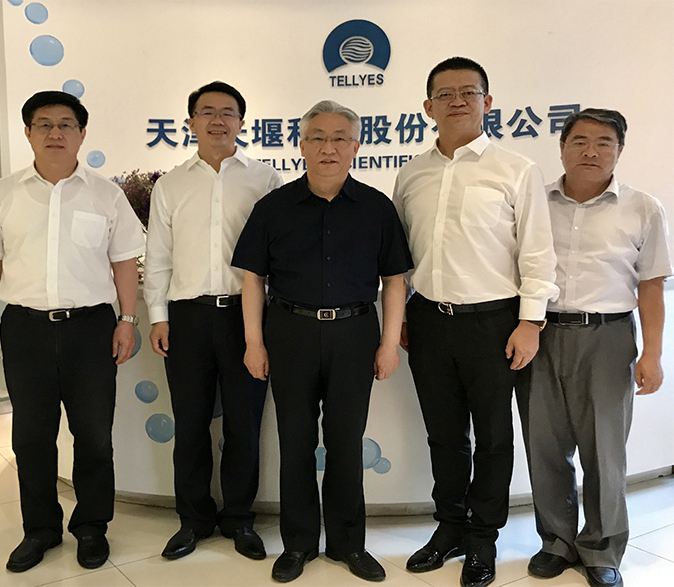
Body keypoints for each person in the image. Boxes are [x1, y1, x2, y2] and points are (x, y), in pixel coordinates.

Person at [0, 91, 145, 573]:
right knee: (31, 437)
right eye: (44, 124)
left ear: (82, 134)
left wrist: (127, 320)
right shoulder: (3, 193)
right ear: (28, 133)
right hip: (25, 328)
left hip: (91, 329)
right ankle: (40, 529)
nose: (55, 133)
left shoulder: (106, 194)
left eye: (66, 124)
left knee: (94, 435)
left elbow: (124, 261)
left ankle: (92, 527)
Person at [392, 57, 558, 587]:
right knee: (443, 435)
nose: (457, 101)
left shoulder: (516, 169)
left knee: (492, 436)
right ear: (428, 107)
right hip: (427, 319)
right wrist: (399, 316)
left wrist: (530, 322)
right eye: (445, 94)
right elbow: (399, 256)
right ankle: (450, 528)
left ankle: (483, 537)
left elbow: (538, 253)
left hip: (495, 322)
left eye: (469, 91)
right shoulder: (411, 174)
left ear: (487, 102)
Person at [233, 100, 412, 583]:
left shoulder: (376, 207)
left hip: (355, 334)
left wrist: (388, 344)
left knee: (345, 443)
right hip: (288, 332)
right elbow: (253, 279)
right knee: (294, 442)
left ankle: (349, 544)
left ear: (356, 146)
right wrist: (254, 343)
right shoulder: (273, 207)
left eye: (338, 138)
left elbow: (395, 280)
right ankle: (298, 544)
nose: (327, 148)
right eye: (317, 137)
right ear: (301, 145)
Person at [516, 109, 671, 587]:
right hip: (540, 332)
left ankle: (602, 548)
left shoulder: (643, 208)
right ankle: (556, 542)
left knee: (605, 449)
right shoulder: (535, 203)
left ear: (619, 150)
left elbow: (651, 286)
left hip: (609, 336)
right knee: (544, 444)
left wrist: (651, 353)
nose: (591, 151)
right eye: (579, 140)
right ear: (562, 147)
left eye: (604, 142)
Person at [144, 81, 283, 561]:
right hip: (186, 320)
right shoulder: (170, 184)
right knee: (191, 424)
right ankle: (193, 519)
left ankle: (240, 519)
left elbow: (277, 256)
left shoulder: (265, 180)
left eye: (228, 112)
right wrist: (158, 317)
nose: (217, 120)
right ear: (190, 123)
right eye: (207, 112)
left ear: (242, 122)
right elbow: (158, 257)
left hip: (247, 319)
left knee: (244, 425)